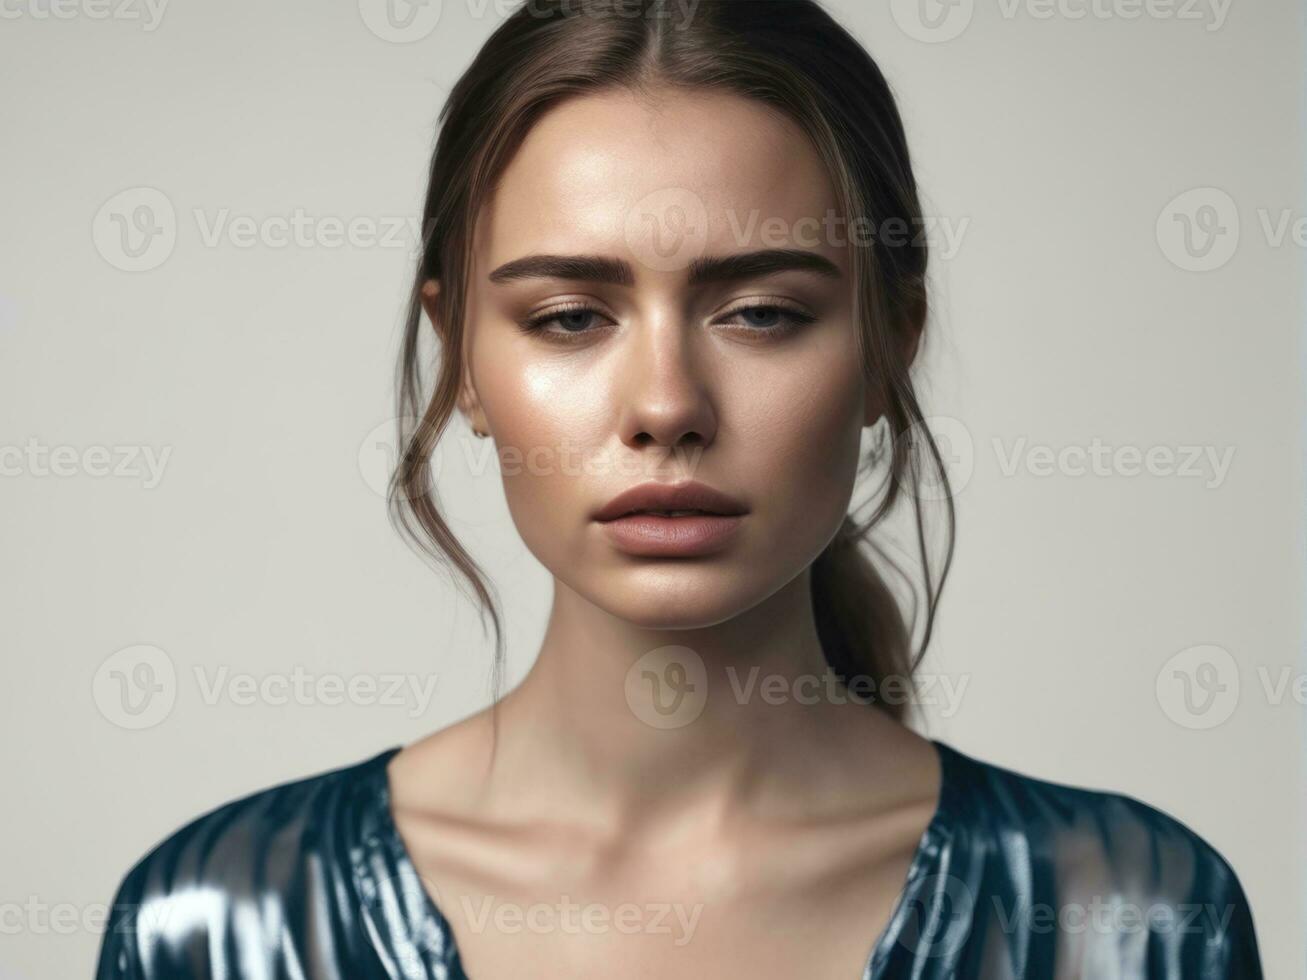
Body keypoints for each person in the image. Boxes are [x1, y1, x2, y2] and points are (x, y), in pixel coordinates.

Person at [94, 1, 1264, 977]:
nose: (665, 403)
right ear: (461, 361)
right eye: (567, 317)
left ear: (887, 340)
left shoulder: (1132, 918)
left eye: (761, 311)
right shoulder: (217, 923)